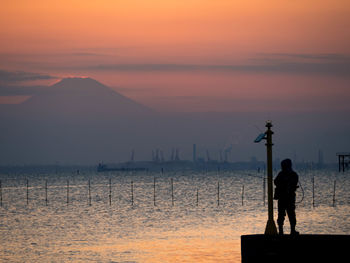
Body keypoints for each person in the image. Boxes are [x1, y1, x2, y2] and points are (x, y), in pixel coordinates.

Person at [274, 159, 299, 235]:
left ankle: (291, 231)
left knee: (290, 214)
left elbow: (294, 182)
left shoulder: (292, 175)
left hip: (288, 198)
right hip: (283, 198)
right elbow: (275, 182)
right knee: (282, 214)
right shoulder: (283, 174)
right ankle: (281, 231)